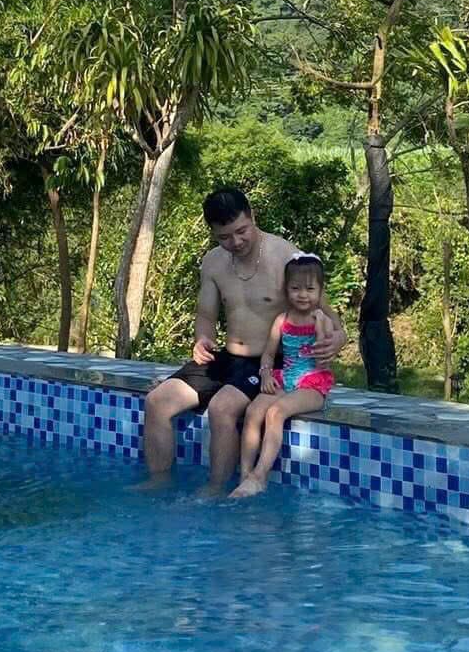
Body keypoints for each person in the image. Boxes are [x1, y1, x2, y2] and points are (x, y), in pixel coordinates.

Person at [139, 186, 344, 489]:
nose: (235, 242)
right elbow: (206, 315)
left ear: (252, 216)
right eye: (224, 237)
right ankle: (158, 484)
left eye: (241, 231)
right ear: (213, 233)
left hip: (268, 362)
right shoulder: (213, 262)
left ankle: (215, 491)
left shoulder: (285, 256)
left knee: (221, 407)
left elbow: (331, 317)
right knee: (157, 401)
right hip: (226, 358)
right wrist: (202, 339)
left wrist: (337, 338)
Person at [230, 253, 340, 499]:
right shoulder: (281, 320)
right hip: (286, 377)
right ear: (286, 289)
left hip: (313, 382)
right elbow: (268, 354)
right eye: (295, 288)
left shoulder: (321, 320)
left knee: (275, 412)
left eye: (310, 289)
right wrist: (266, 375)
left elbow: (322, 360)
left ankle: (260, 476)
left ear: (320, 291)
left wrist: (321, 325)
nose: (303, 295)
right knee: (253, 411)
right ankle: (245, 475)